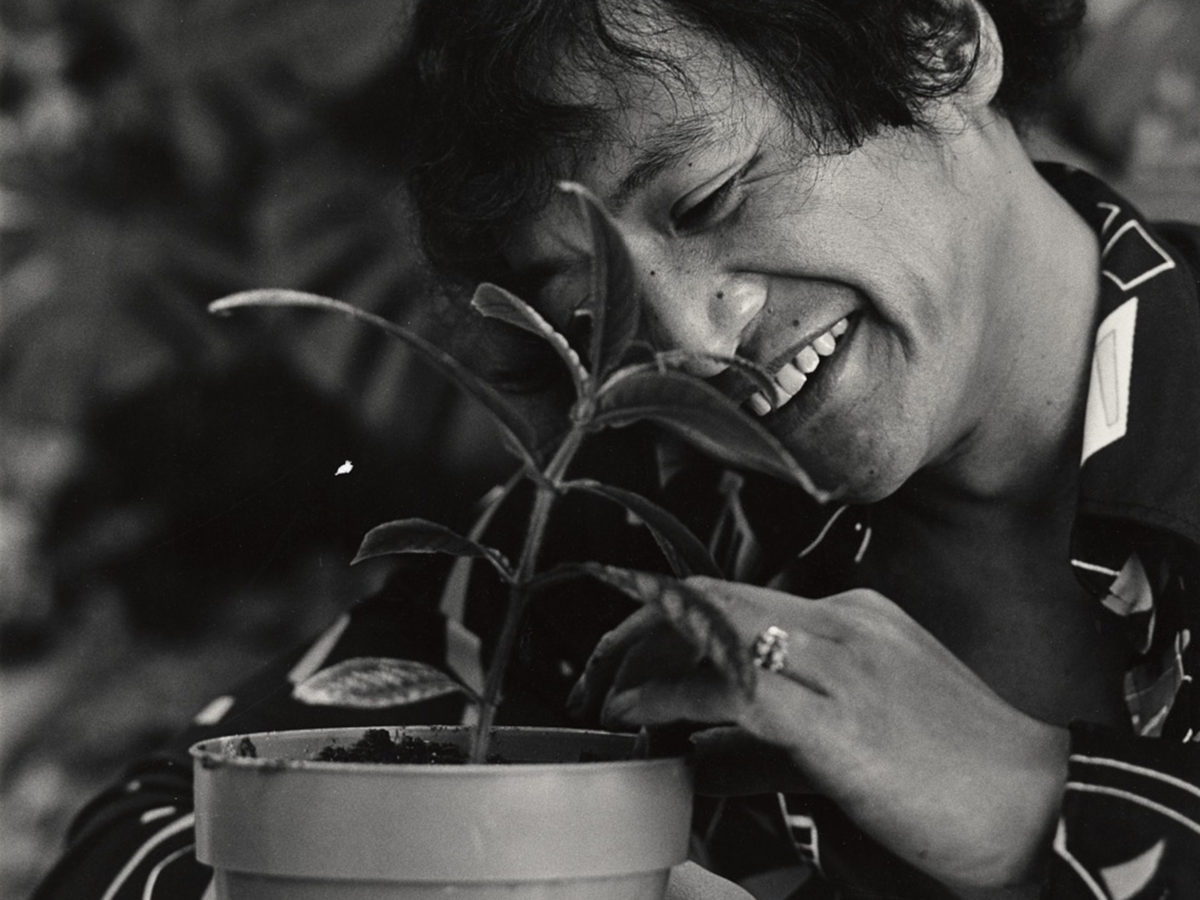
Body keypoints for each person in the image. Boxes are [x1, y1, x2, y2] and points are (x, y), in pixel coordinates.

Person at [33, 1, 1200, 898]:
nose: (690, 344)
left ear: (937, 40)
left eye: (709, 199)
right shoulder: (618, 537)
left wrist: (1031, 800)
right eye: (596, 305)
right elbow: (150, 834)